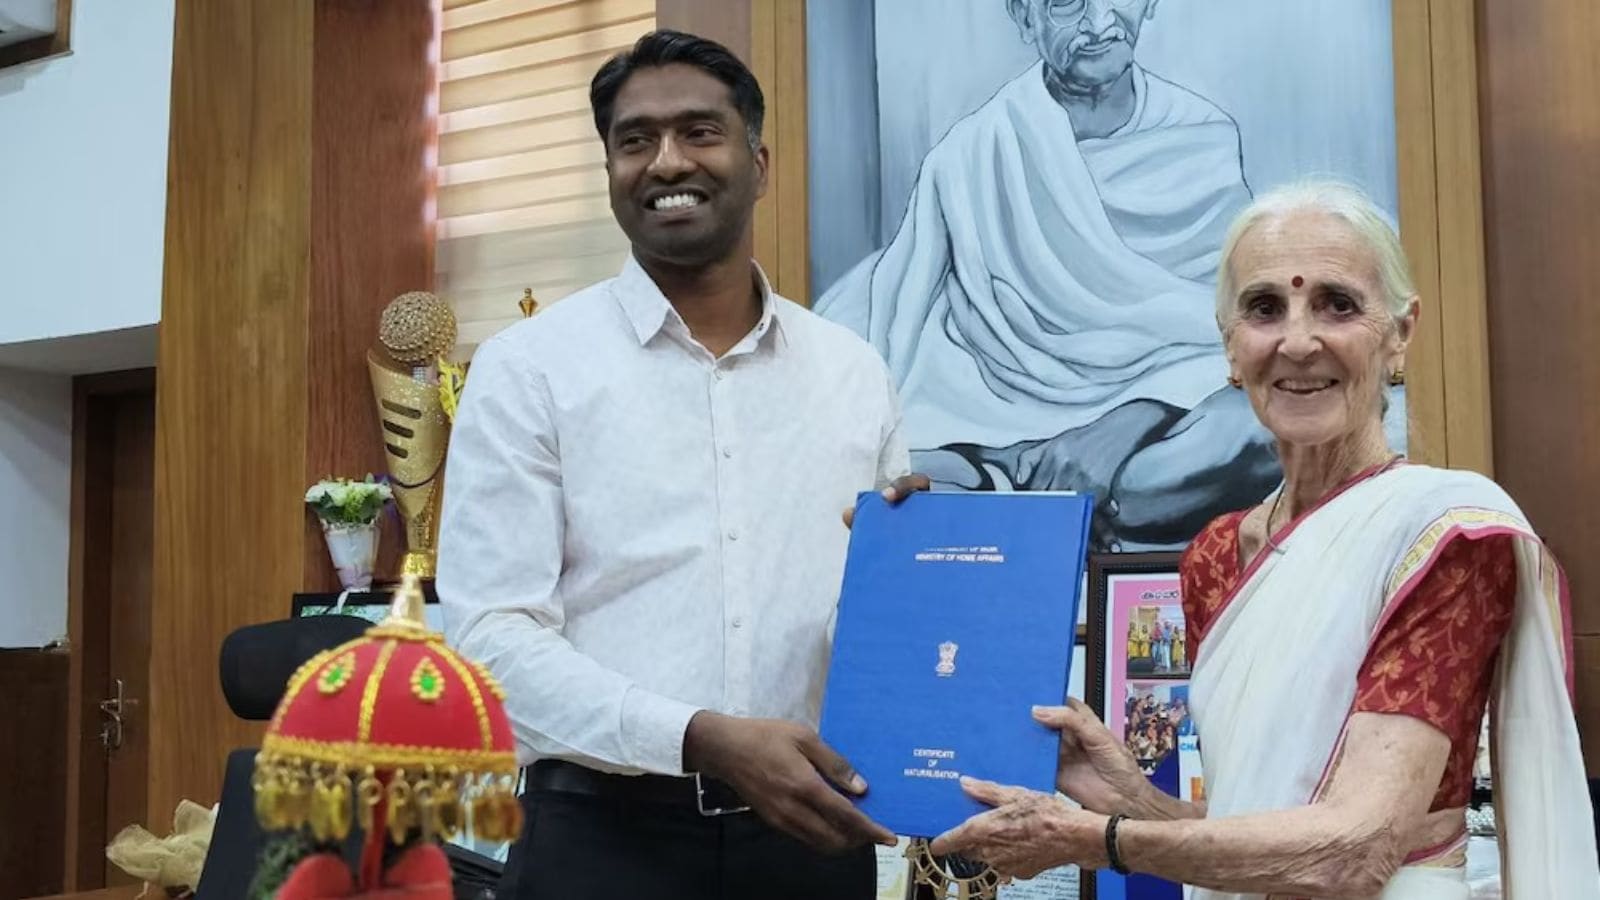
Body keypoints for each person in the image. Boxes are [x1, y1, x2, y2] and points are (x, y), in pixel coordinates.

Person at [927, 182, 1598, 897]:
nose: (1299, 341)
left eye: (1337, 304)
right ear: (1229, 343)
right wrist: (1126, 797)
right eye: (1264, 308)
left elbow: (1355, 850)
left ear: (1401, 333)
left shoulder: (1446, 538)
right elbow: (1261, 826)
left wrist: (1098, 839)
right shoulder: (1214, 555)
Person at [436, 30, 926, 900]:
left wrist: (916, 576)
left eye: (700, 131)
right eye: (635, 141)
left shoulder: (853, 375)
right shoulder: (529, 369)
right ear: (611, 171)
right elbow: (489, 645)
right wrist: (697, 737)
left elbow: (873, 642)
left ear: (759, 162)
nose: (666, 162)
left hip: (809, 845)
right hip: (600, 842)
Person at [814, 0, 1330, 549]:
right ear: (1024, 16)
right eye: (1066, 4)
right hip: (1005, 412)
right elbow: (900, 313)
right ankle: (1036, 482)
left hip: (1161, 421)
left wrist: (1128, 419)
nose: (1101, 22)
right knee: (892, 473)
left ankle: (1023, 494)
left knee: (1265, 429)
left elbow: (1233, 330)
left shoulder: (1203, 137)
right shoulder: (972, 153)